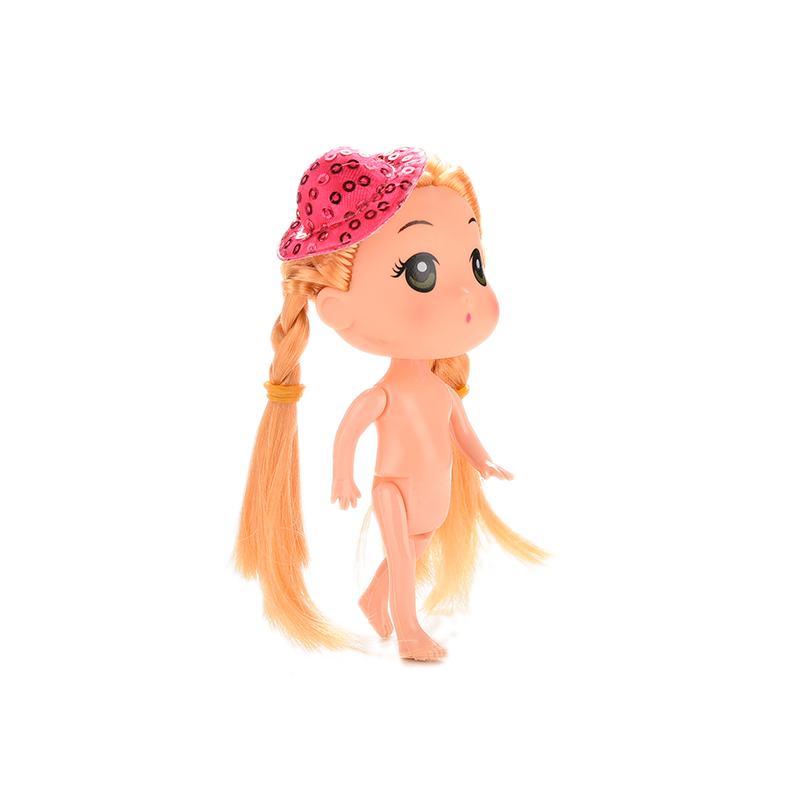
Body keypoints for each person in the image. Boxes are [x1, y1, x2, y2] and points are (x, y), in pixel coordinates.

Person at [236, 147, 546, 660]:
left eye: (475, 265)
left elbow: (463, 431)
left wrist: (483, 461)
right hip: (393, 490)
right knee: (404, 559)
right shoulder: (381, 395)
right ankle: (409, 632)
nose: (465, 294)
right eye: (421, 271)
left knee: (415, 550)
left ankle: (372, 601)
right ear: (337, 308)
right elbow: (350, 431)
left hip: (434, 493)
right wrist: (343, 475)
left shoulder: (442, 392)